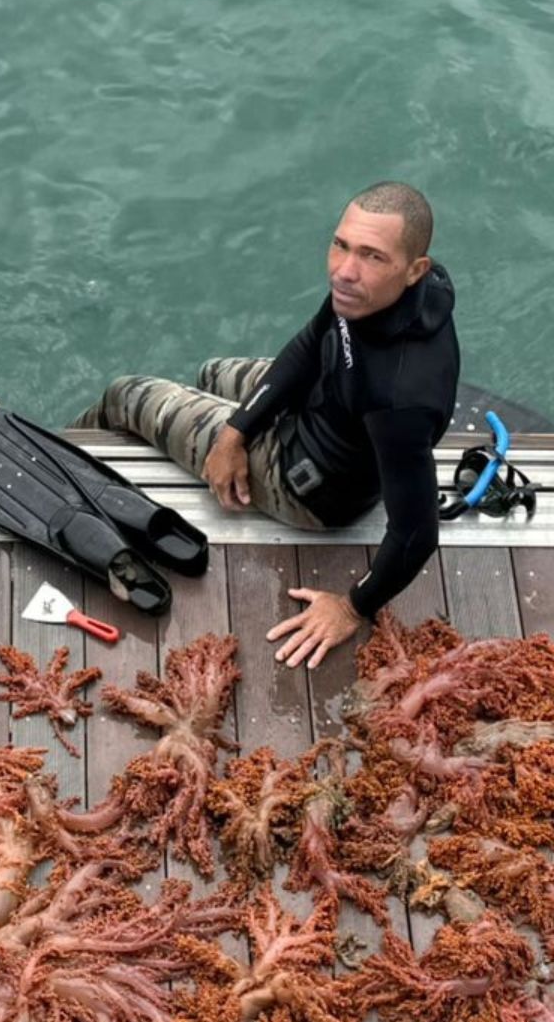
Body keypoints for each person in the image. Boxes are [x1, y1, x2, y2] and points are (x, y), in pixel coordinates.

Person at [97, 183, 459, 669]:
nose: (344, 271)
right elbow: (314, 341)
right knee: (210, 371)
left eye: (372, 256)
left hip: (304, 482)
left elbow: (417, 534)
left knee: (125, 394)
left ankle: (53, 452)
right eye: (341, 245)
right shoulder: (370, 294)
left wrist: (352, 607)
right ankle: (213, 420)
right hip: (323, 401)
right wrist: (235, 431)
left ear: (416, 269)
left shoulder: (400, 399)